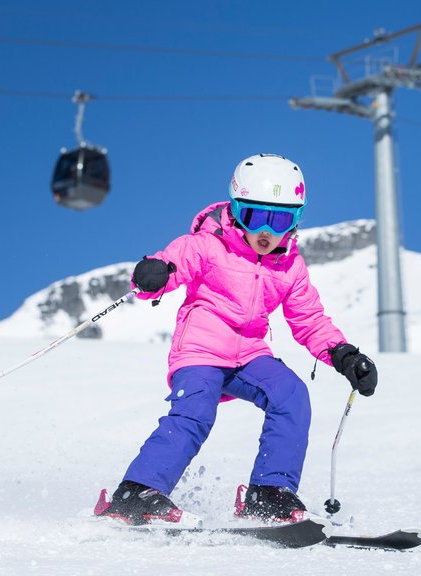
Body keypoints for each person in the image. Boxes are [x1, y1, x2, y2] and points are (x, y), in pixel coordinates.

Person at [93, 154, 378, 527]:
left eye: (280, 220)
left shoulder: (290, 266)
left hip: (250, 355)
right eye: (255, 216)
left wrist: (342, 354)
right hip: (201, 350)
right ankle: (136, 492)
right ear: (235, 209)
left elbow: (308, 320)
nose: (266, 231)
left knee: (291, 394)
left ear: (296, 220)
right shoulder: (207, 245)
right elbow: (172, 266)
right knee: (196, 410)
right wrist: (155, 273)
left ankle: (269, 493)